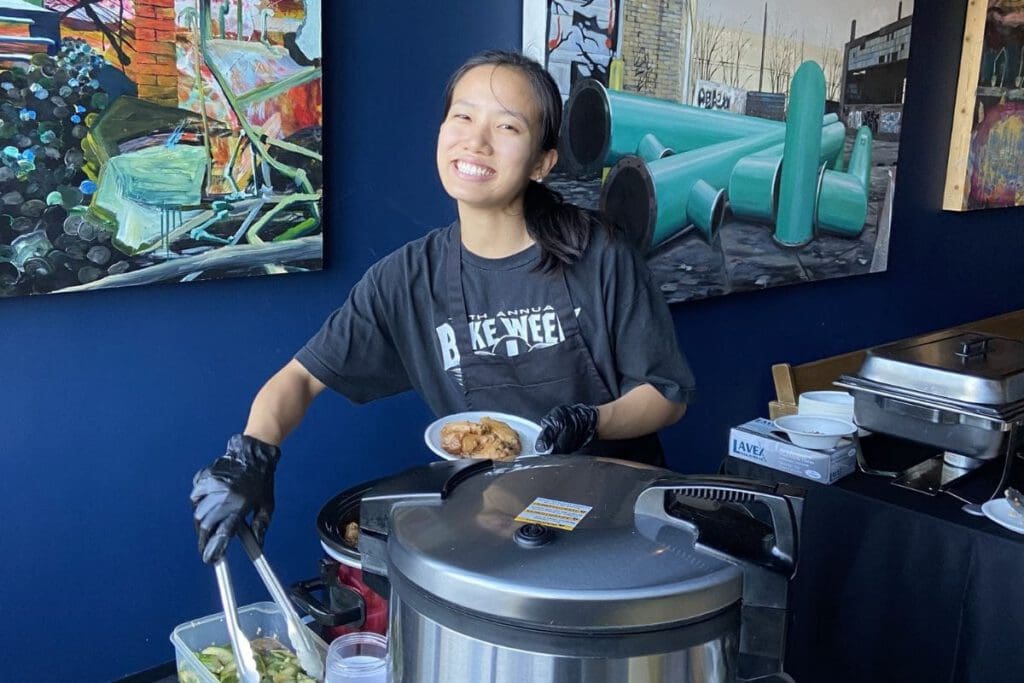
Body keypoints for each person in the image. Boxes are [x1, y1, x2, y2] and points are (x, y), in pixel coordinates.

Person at [190, 50, 696, 564]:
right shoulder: (408, 279)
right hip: (491, 524)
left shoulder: (599, 256)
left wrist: (593, 420)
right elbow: (298, 380)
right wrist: (250, 455)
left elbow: (666, 393)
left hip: (613, 525)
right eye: (463, 116)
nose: (476, 141)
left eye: (507, 127)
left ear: (543, 162)